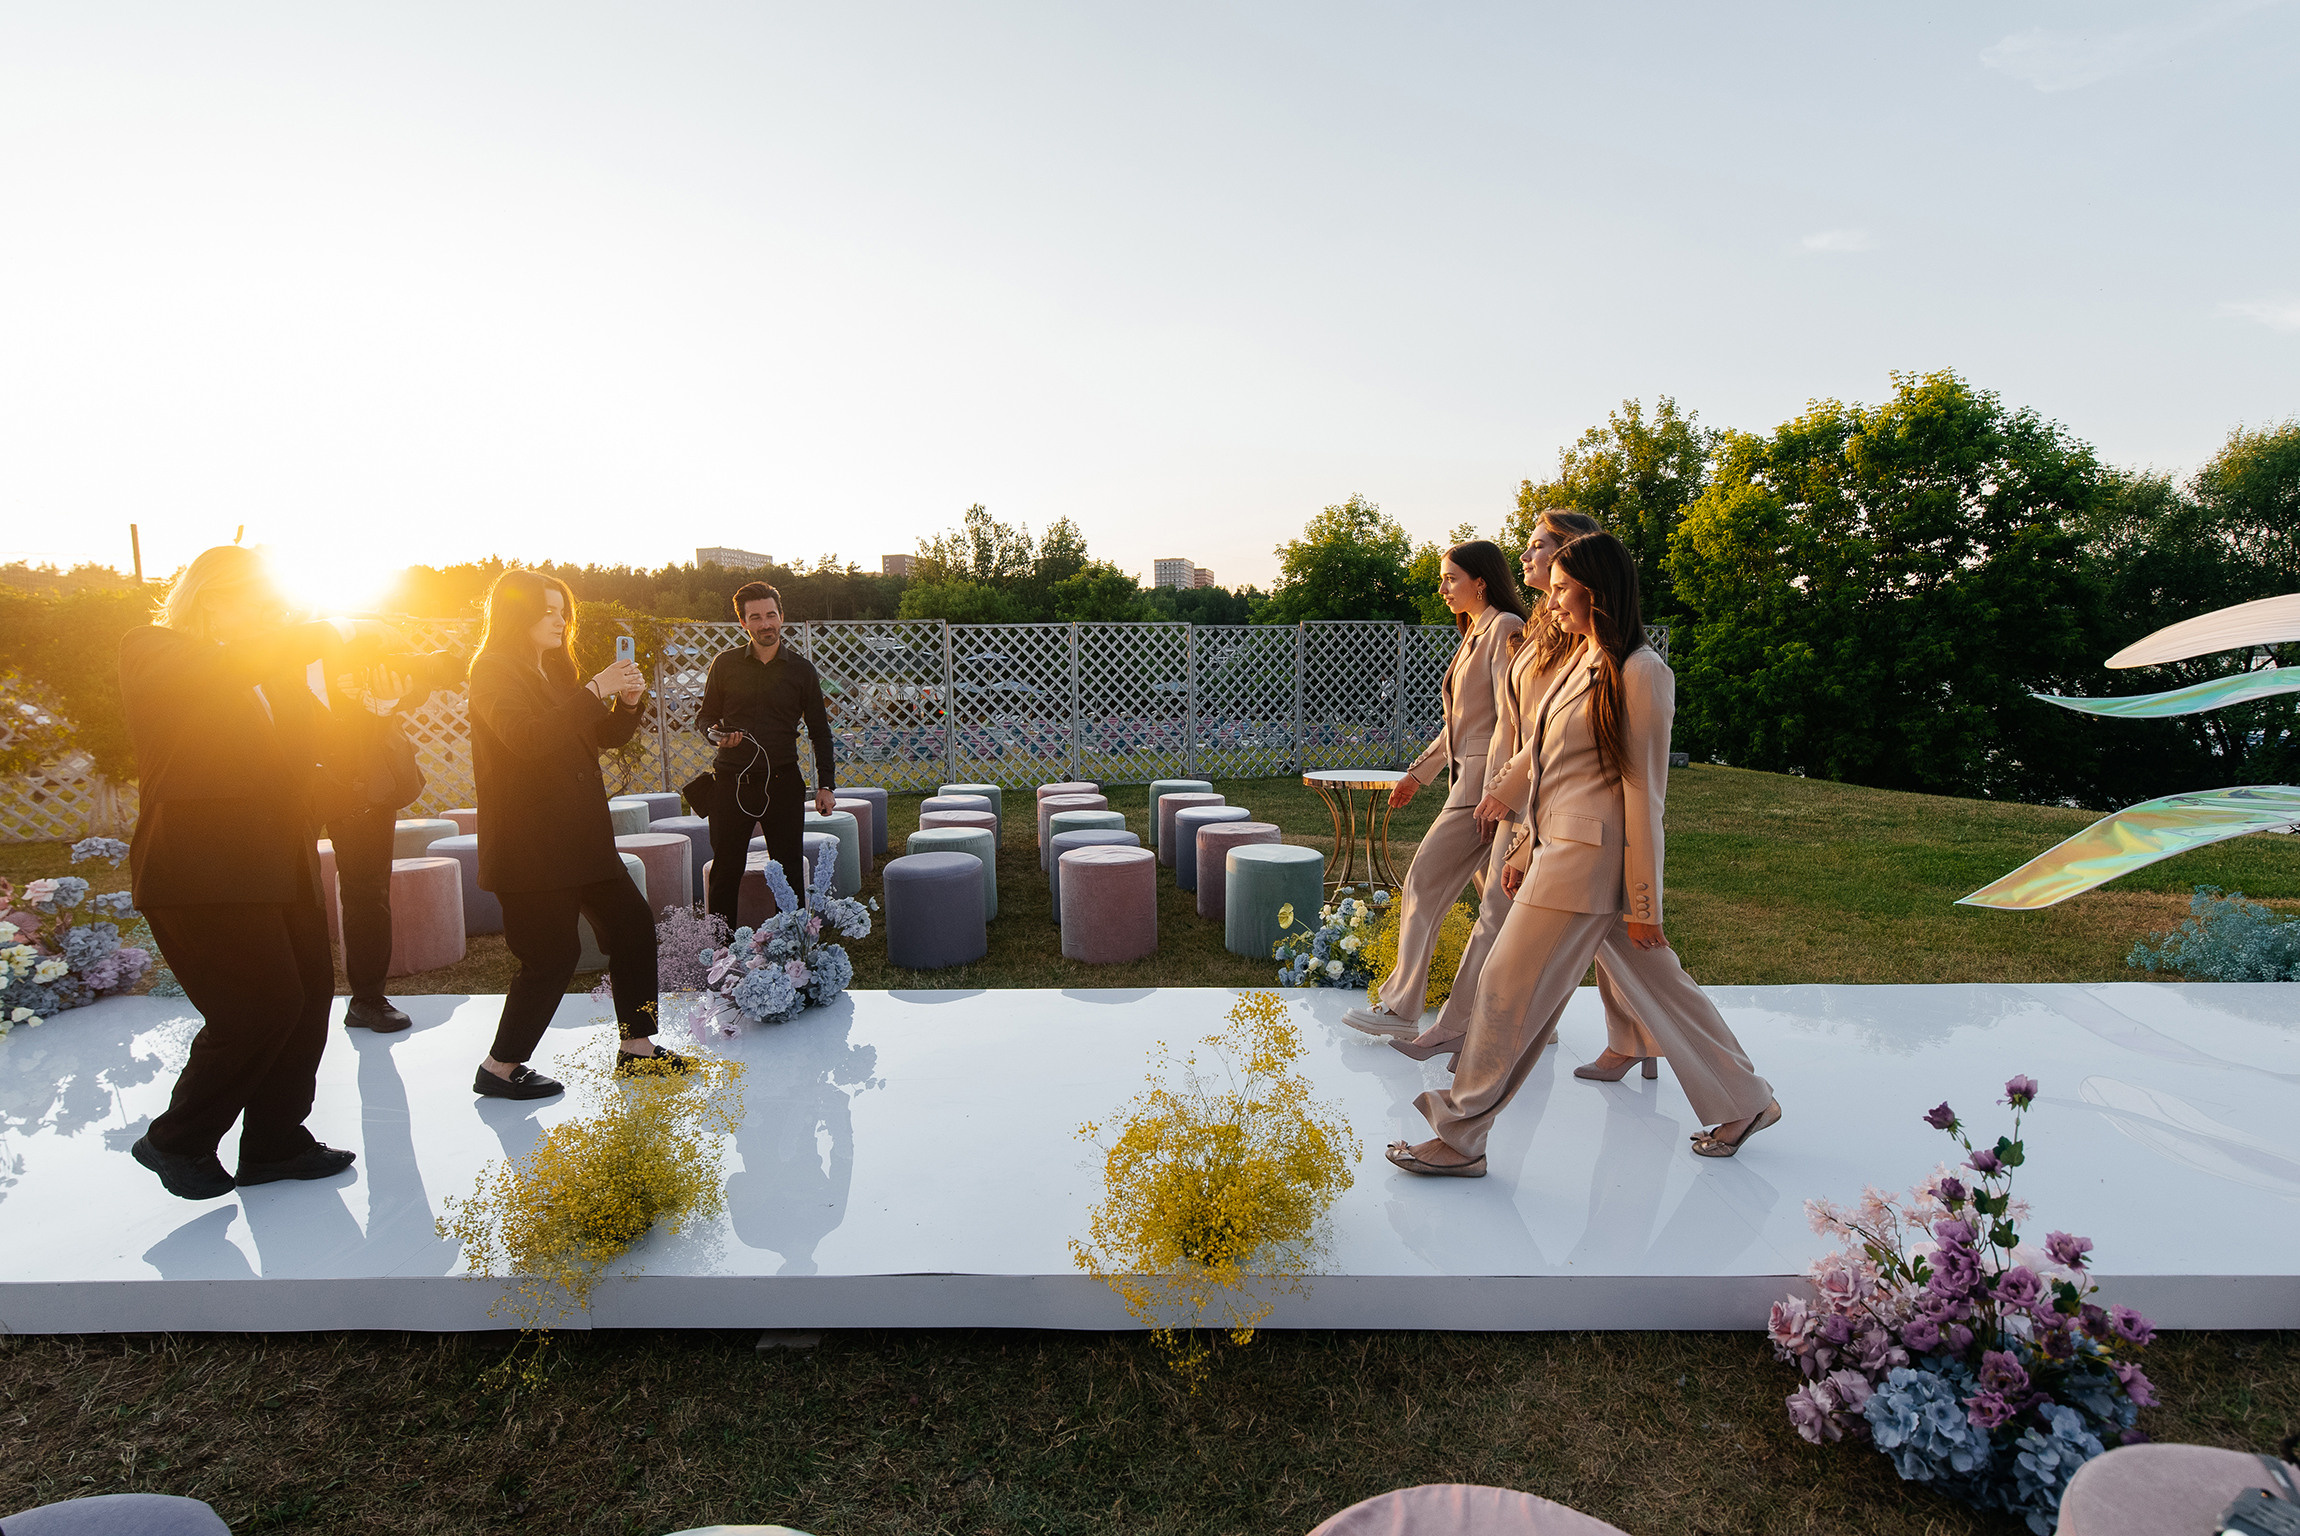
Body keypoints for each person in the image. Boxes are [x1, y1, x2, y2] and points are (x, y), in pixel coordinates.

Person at [1387, 532, 1780, 1177]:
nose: (1554, 599)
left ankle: (1460, 1137)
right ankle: (1745, 1100)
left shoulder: (1641, 671)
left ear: (1596, 593)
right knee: (1662, 985)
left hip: (1587, 864)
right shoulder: (1579, 660)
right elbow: (1543, 759)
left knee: (1505, 987)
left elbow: (1645, 794)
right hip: (1556, 849)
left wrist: (1644, 902)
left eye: (1565, 588)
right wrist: (1519, 839)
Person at [119, 545, 397, 1200]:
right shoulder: (153, 650)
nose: (278, 619)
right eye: (266, 604)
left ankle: (275, 1140)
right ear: (215, 598)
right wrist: (332, 631)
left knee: (305, 1006)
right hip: (200, 868)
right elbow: (224, 671)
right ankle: (176, 1138)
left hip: (280, 860)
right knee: (258, 1007)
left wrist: (374, 710)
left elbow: (319, 757)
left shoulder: (273, 677)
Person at [1386, 510, 1667, 1078]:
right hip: (1528, 796)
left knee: (1513, 919)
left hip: (1550, 801)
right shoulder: (1545, 624)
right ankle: (1635, 1038)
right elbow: (1526, 722)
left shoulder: (1575, 639)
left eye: (1541, 547)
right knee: (1610, 938)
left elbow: (1551, 732)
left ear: (1575, 559)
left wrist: (1505, 792)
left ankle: (1464, 1042)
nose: (1528, 555)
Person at [466, 570, 677, 1099]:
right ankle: (499, 1065)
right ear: (517, 615)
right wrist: (594, 689)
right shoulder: (491, 670)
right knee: (550, 957)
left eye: (562, 609)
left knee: (632, 926)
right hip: (532, 846)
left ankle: (638, 1048)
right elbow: (527, 739)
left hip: (582, 841)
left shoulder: (556, 672)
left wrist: (626, 703)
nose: (560, 619)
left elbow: (598, 736)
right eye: (547, 610)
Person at [1341, 541, 1526, 1040]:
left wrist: (1498, 791)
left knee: (1423, 879)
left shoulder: (1504, 628)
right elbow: (1459, 725)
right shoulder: (1474, 633)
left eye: (1450, 578)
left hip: (1483, 789)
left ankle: (1402, 1008)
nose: (1442, 588)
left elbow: (1511, 719)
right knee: (1505, 903)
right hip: (1475, 782)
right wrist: (1417, 774)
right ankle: (1526, 1016)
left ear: (1480, 580)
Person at [320, 649, 467, 1034]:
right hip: (285, 771)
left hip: (362, 781)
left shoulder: (365, 635)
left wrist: (380, 699)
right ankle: (285, 997)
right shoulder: (277, 642)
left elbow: (414, 685)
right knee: (283, 890)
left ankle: (367, 999)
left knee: (367, 892)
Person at [696, 581, 836, 927]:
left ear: (782, 617)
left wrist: (826, 786)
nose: (765, 624)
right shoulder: (724, 664)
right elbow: (705, 717)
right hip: (732, 782)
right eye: (755, 617)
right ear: (743, 623)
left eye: (770, 615)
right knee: (726, 869)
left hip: (783, 782)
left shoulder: (801, 669)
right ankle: (721, 955)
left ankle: (790, 950)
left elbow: (820, 732)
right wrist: (714, 734)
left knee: (788, 869)